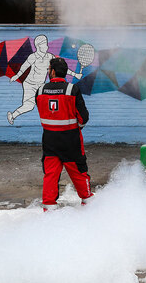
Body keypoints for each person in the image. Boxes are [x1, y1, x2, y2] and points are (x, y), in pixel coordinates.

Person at [35, 57, 94, 211]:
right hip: (71, 140)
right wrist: (76, 127)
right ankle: (87, 201)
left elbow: (44, 112)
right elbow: (83, 117)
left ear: (53, 72)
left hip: (49, 140)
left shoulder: (40, 91)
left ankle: (49, 207)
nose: (48, 72)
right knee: (78, 171)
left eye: (49, 69)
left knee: (51, 174)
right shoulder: (72, 90)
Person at [7, 35, 82, 125]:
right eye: (44, 44)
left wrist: (75, 75)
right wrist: (17, 76)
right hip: (29, 85)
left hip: (40, 86)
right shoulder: (33, 56)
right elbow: (24, 66)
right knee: (29, 106)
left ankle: (53, 122)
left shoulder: (50, 57)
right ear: (38, 46)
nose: (47, 46)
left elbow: (61, 67)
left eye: (47, 44)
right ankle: (12, 115)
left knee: (48, 104)